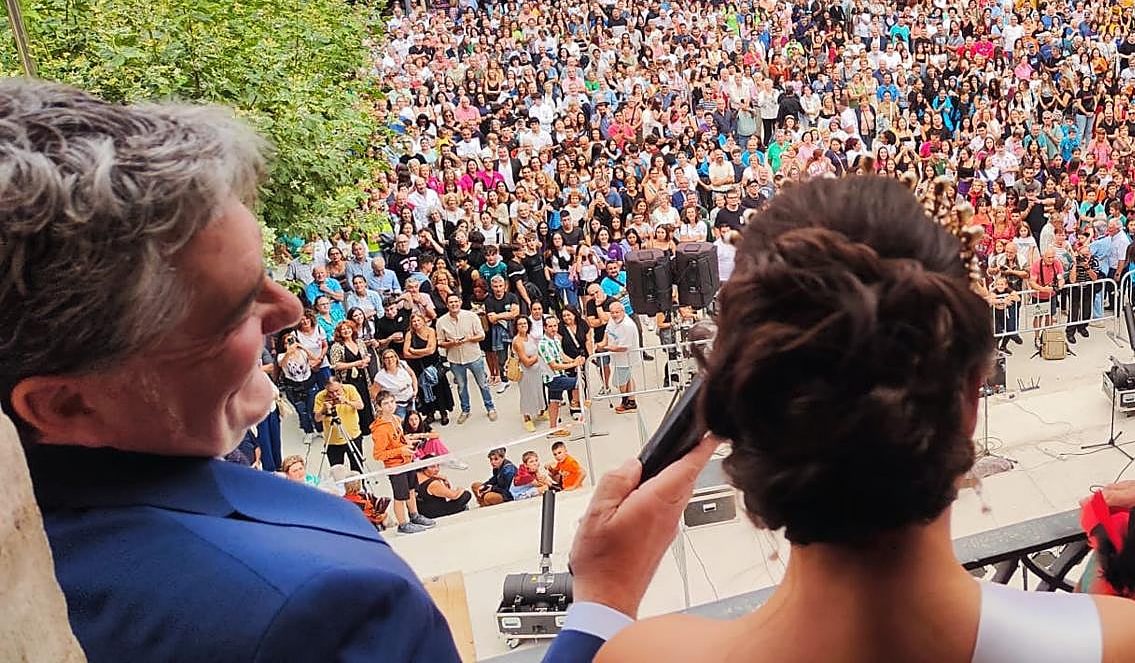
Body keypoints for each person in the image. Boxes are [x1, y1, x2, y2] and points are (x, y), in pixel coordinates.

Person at [5, 80, 724, 663]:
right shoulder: (309, 608)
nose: (288, 310)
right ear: (66, 404)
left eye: (270, 273)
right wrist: (604, 597)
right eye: (230, 310)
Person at [598, 176, 1135, 663]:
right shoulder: (1129, 649)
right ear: (971, 398)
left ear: (745, 419)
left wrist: (601, 597)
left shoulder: (638, 656)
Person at [369, 391, 436, 534]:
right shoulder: (380, 429)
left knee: (411, 490)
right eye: (385, 403)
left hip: (407, 461)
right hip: (395, 467)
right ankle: (403, 524)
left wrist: (408, 442)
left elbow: (399, 439)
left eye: (392, 402)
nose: (390, 406)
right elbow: (378, 454)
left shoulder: (397, 419)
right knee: (400, 496)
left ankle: (414, 515)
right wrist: (400, 451)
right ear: (379, 407)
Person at [435, 292, 496, 424]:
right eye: (450, 302)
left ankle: (490, 408)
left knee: (483, 384)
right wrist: (451, 343)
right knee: (461, 387)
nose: (453, 304)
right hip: (455, 360)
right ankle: (465, 410)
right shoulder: (441, 322)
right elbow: (439, 342)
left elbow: (481, 336)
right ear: (447, 305)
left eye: (456, 301)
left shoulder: (471, 316)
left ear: (460, 302)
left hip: (474, 356)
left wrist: (468, 339)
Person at [540, 315, 583, 436]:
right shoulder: (543, 344)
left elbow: (562, 356)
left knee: (554, 401)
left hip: (560, 375)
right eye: (550, 326)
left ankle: (553, 429)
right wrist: (573, 364)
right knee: (579, 382)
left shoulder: (556, 340)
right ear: (544, 328)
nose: (553, 329)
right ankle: (576, 405)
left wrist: (574, 361)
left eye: (555, 325)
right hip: (552, 378)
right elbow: (553, 365)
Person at [598, 300, 640, 413]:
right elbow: (607, 332)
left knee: (620, 382)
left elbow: (623, 348)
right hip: (617, 358)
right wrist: (602, 343)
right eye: (612, 312)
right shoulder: (612, 320)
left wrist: (605, 348)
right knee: (627, 378)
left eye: (617, 312)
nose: (614, 315)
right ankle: (631, 401)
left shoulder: (627, 325)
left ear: (623, 311)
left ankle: (626, 401)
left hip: (625, 358)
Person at [313, 376, 364, 467]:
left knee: (357, 466)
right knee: (337, 470)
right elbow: (317, 419)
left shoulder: (350, 389)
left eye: (337, 391)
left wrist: (346, 401)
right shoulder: (320, 396)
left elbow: (360, 406)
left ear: (341, 384)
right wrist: (324, 409)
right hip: (333, 440)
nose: (335, 395)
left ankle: (360, 481)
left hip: (353, 435)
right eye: (331, 392)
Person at [513, 315, 549, 432]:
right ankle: (527, 418)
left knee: (538, 391)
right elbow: (527, 362)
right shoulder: (517, 342)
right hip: (525, 373)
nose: (523, 326)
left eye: (525, 323)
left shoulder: (530, 336)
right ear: (516, 326)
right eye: (520, 324)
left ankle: (541, 412)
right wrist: (537, 356)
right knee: (527, 394)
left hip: (536, 371)